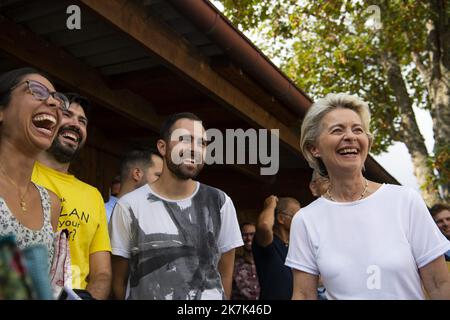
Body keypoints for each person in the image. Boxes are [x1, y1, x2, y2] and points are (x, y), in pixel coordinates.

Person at [286, 93, 450, 299]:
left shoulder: (405, 201)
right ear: (314, 148)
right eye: (337, 130)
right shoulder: (306, 220)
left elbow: (439, 284)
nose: (351, 136)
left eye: (358, 130)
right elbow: (303, 294)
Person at [109, 112, 243, 300]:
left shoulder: (220, 202)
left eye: (202, 143)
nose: (194, 149)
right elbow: (119, 282)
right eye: (185, 140)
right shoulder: (129, 206)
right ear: (162, 147)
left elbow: (226, 274)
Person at [32, 93, 112, 299]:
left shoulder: (93, 195)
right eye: (67, 115)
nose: (76, 124)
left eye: (82, 121)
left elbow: (102, 274)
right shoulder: (20, 174)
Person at [0, 67, 68, 271]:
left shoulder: (52, 204)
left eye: (59, 100)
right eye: (37, 90)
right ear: (2, 110)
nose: (54, 103)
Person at [252, 195, 300, 300]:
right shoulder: (268, 242)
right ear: (281, 219)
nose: (301, 220)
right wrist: (271, 204)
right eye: (297, 216)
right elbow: (264, 225)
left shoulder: (295, 245)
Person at [231, 222, 260, 300]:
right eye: (245, 235)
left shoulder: (266, 264)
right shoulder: (234, 265)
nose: (249, 238)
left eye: (252, 234)